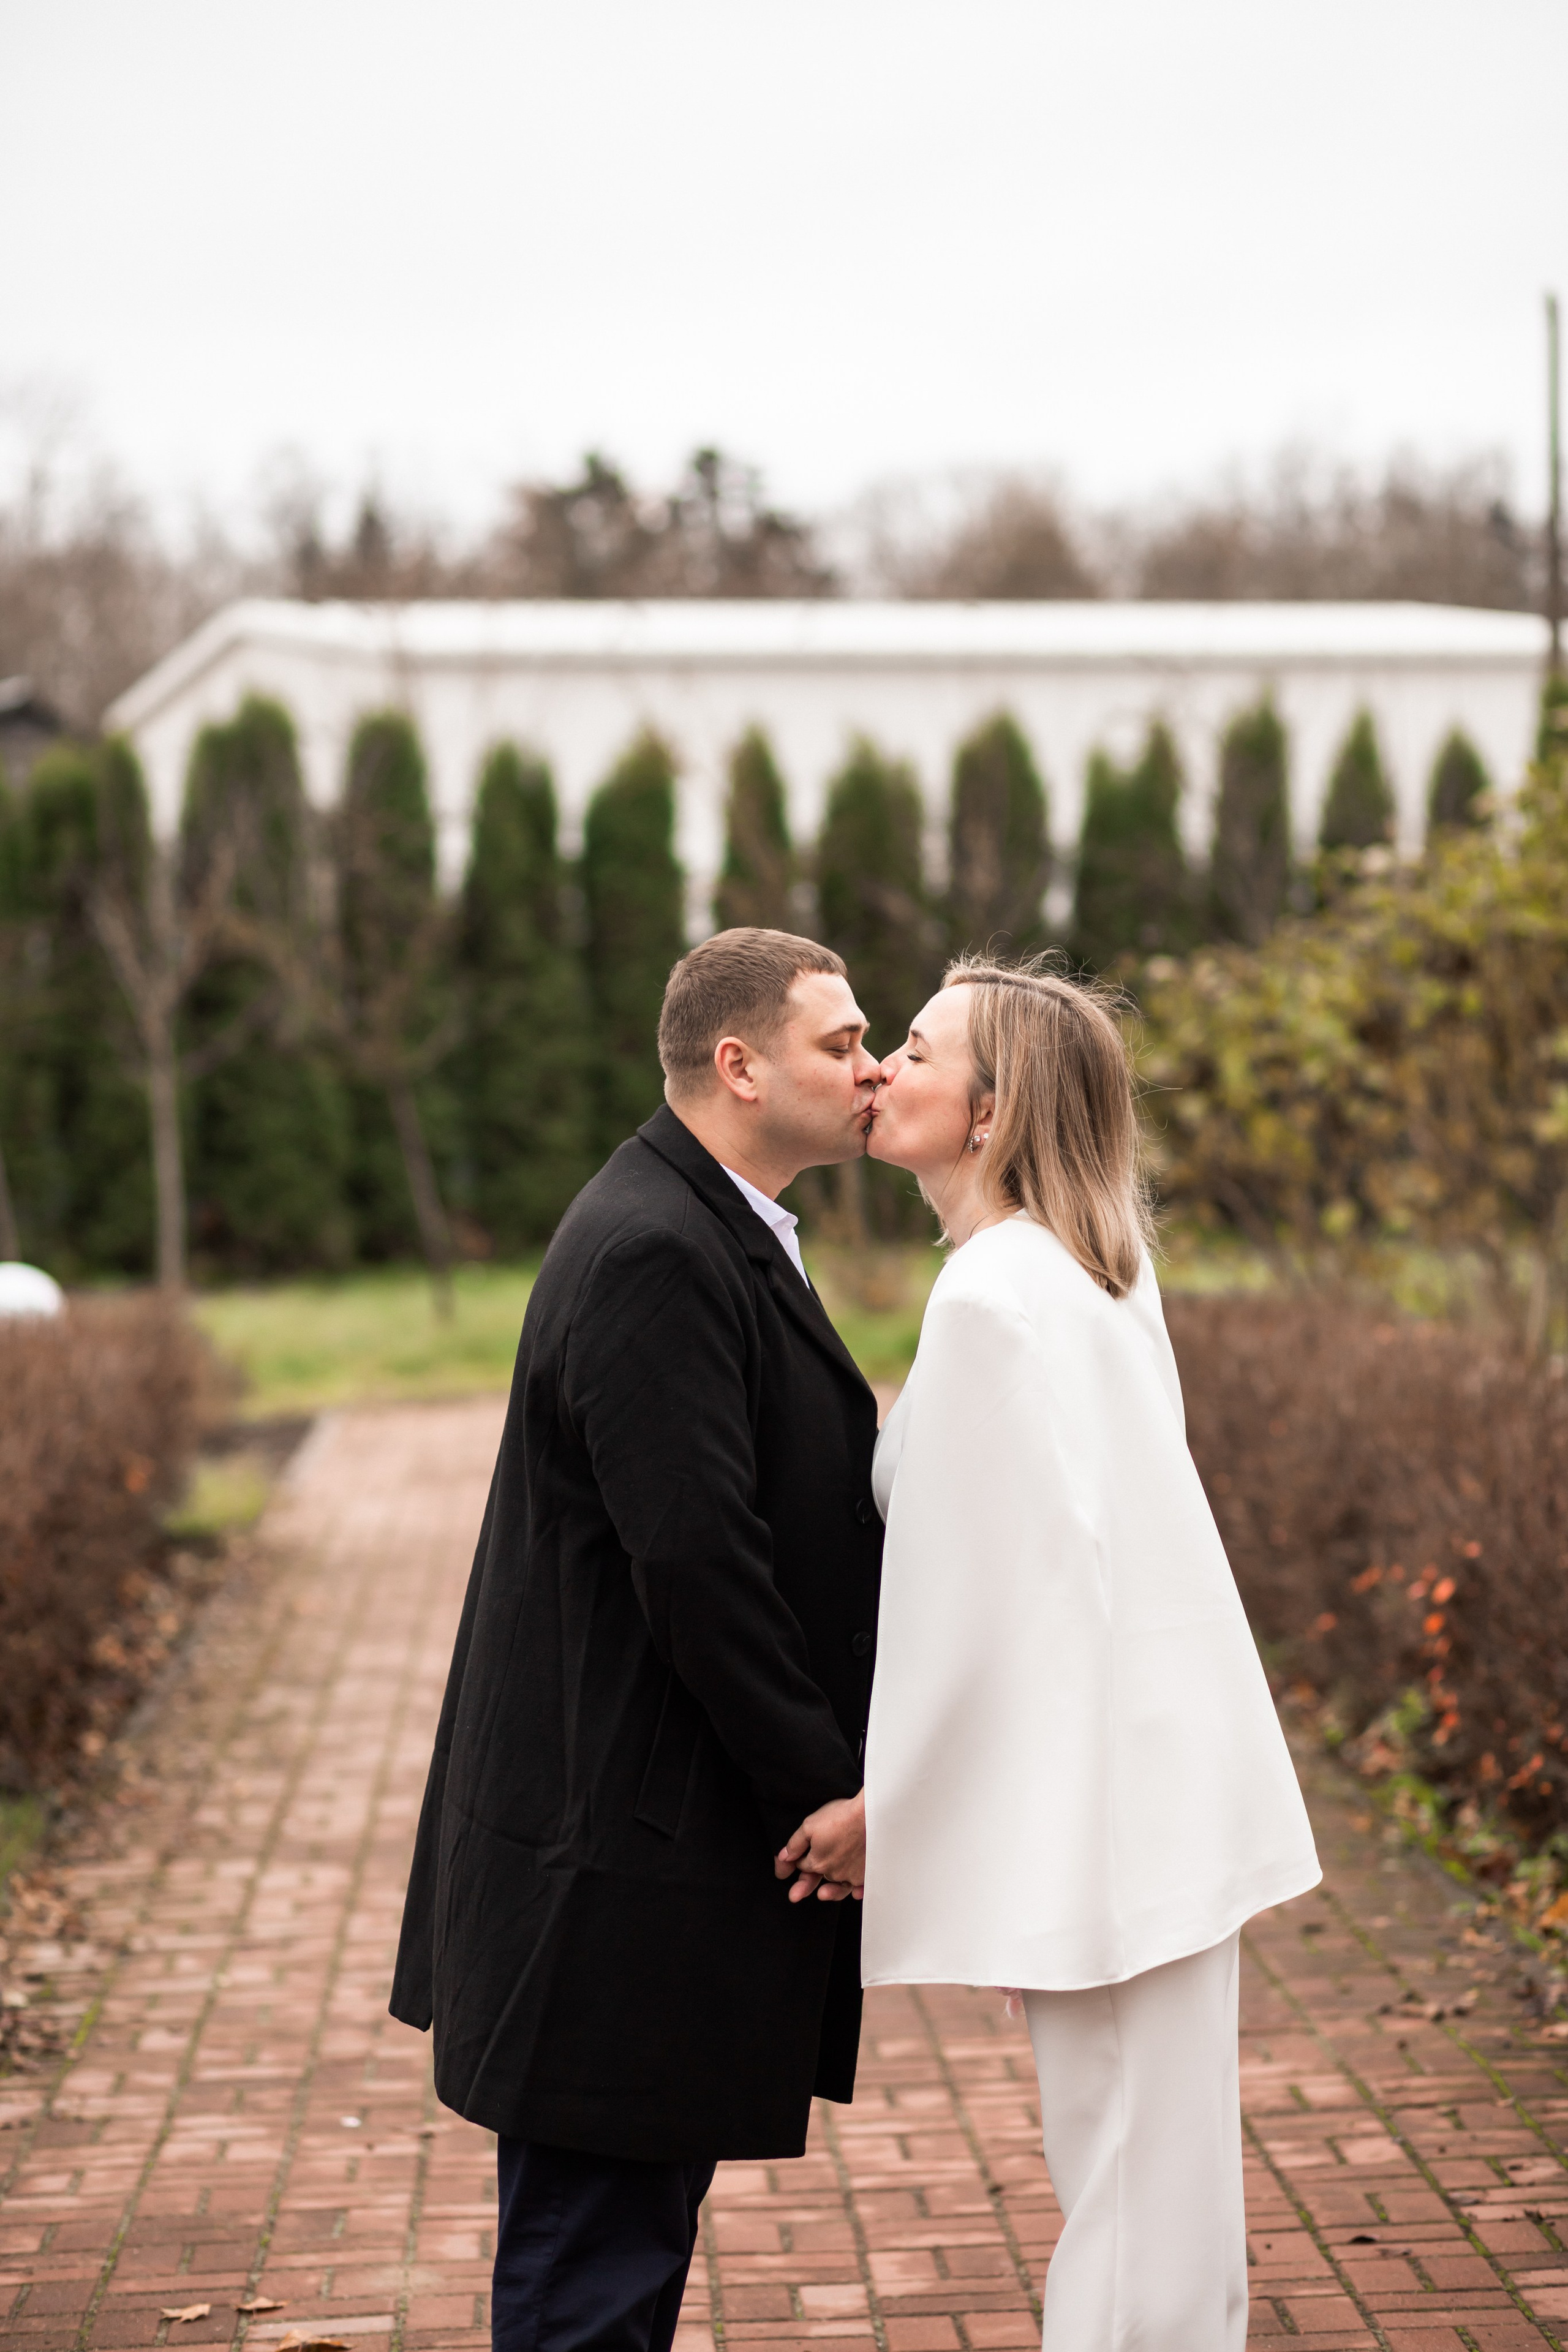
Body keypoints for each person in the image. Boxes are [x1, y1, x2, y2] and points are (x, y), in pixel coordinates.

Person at [780, 956, 1321, 2352]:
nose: (879, 1068)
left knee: (1133, 2195)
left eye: (912, 1047)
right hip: (1146, 1795)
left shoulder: (993, 1304)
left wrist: (886, 1819)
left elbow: (977, 1616)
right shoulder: (1084, 1271)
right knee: (1162, 2179)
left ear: (990, 1107)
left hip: (1121, 1806)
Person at [391, 927, 881, 2352]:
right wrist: (821, 1789)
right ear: (738, 1066)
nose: (866, 1066)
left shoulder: (703, 1219)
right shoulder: (659, 1248)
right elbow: (695, 1562)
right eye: (836, 1043)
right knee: (589, 2280)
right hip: (612, 1871)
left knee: (617, 2256)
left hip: (631, 1850)